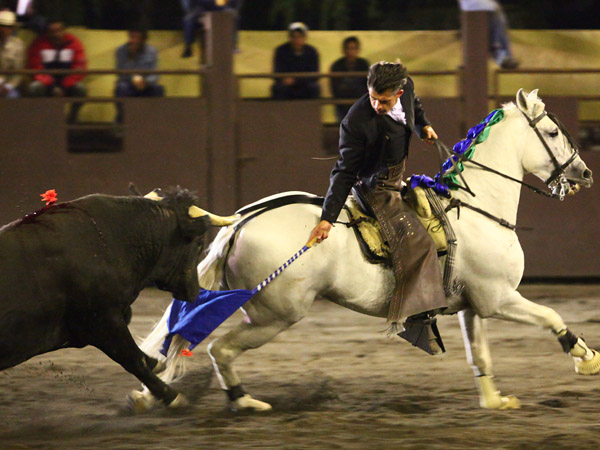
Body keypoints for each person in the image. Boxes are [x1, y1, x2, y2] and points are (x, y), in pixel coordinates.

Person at [309, 61, 447, 340]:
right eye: (373, 98)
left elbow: (414, 107)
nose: (377, 105)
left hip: (398, 178)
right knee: (419, 243)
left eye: (383, 101)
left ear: (398, 92)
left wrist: (424, 126)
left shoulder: (406, 89)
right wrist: (327, 218)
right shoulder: (355, 122)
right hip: (376, 187)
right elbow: (344, 172)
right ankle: (416, 317)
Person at [27, 18, 87, 123]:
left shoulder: (74, 42)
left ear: (64, 30)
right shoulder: (38, 43)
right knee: (34, 88)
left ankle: (72, 120)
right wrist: (52, 87)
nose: (56, 34)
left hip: (68, 85)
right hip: (46, 84)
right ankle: (41, 121)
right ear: (47, 32)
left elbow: (80, 67)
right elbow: (35, 67)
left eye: (58, 30)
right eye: (52, 31)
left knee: (81, 89)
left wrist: (64, 86)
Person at [114, 27, 164, 123]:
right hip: (128, 83)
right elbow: (120, 73)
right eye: (132, 37)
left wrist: (146, 82)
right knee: (121, 88)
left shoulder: (152, 51)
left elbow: (155, 73)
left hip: (146, 84)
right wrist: (131, 57)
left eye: (137, 37)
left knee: (158, 89)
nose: (133, 40)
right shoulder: (121, 51)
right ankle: (121, 122)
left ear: (143, 39)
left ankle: (156, 122)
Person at [457, 0, 519, 69]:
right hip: (477, 4)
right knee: (495, 8)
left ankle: (468, 60)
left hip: (466, 6)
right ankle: (502, 55)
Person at [271, 22, 320, 100]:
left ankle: (311, 111)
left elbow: (315, 74)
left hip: (305, 84)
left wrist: (296, 80)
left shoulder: (312, 52)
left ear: (304, 38)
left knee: (314, 87)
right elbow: (277, 71)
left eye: (299, 36)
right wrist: (284, 79)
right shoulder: (281, 51)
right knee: (278, 88)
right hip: (286, 84)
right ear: (289, 37)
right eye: (293, 36)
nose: (296, 39)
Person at [330, 36, 370, 123]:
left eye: (354, 48)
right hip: (342, 104)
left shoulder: (363, 65)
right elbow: (335, 88)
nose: (351, 51)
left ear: (358, 50)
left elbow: (368, 87)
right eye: (349, 48)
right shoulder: (337, 66)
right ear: (344, 50)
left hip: (360, 103)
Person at [0, 10, 24, 98]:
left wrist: (7, 87)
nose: (4, 29)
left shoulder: (18, 45)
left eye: (8, 27)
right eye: (2, 26)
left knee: (13, 97)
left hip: (9, 85)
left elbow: (18, 72)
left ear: (13, 29)